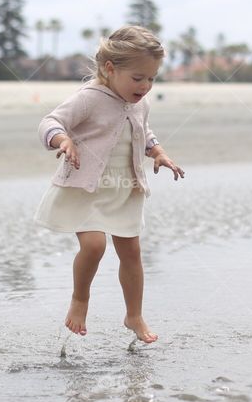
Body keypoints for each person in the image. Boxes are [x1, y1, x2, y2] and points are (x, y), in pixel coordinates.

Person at [34, 25, 185, 344]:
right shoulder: (89, 98)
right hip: (85, 189)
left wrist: (158, 152)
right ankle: (80, 300)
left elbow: (143, 132)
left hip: (123, 188)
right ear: (110, 68)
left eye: (152, 78)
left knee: (131, 252)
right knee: (94, 245)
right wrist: (63, 141)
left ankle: (134, 315)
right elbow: (50, 122)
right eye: (138, 78)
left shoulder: (140, 102)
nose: (145, 86)